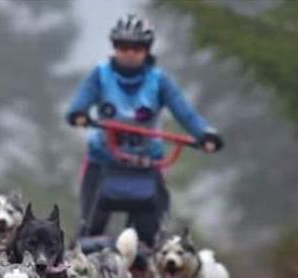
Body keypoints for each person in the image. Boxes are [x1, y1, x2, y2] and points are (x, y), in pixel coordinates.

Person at [66, 14, 224, 247]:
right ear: (114, 47)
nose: (130, 52)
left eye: (137, 47)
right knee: (88, 231)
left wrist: (204, 135)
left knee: (153, 237)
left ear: (147, 50)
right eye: (123, 46)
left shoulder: (159, 81)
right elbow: (79, 104)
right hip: (103, 164)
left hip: (146, 166)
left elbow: (184, 112)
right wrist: (79, 114)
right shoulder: (100, 75)